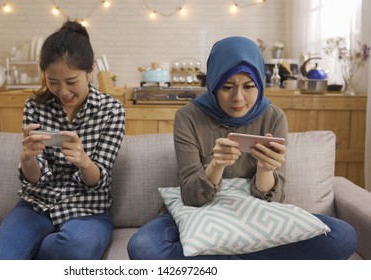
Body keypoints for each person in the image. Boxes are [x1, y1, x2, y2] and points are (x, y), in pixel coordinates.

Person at [127, 36, 357, 260]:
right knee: (144, 247)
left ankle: (219, 261)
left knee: (342, 236)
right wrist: (216, 166)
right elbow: (191, 197)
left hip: (253, 213)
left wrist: (266, 170)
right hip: (198, 211)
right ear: (214, 84)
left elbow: (274, 202)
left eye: (248, 86)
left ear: (259, 83)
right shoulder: (188, 116)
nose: (238, 98)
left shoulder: (273, 117)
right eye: (227, 87)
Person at [0, 20, 125, 260]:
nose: (64, 92)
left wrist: (84, 162)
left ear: (91, 71)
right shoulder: (34, 106)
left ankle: (25, 240)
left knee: (73, 249)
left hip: (87, 210)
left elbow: (98, 181)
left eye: (71, 82)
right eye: (53, 81)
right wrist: (27, 158)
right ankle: (17, 236)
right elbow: (35, 179)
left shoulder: (111, 110)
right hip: (36, 206)